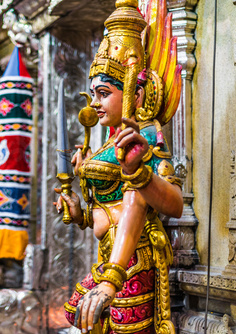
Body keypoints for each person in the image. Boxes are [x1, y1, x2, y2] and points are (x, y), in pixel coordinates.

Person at [56, 1, 184, 333]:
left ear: (136, 95)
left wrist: (139, 173)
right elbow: (108, 204)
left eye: (103, 93)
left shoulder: (144, 137)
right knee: (76, 314)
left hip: (134, 258)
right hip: (110, 255)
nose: (94, 103)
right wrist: (81, 214)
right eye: (93, 94)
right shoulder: (107, 143)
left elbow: (172, 203)